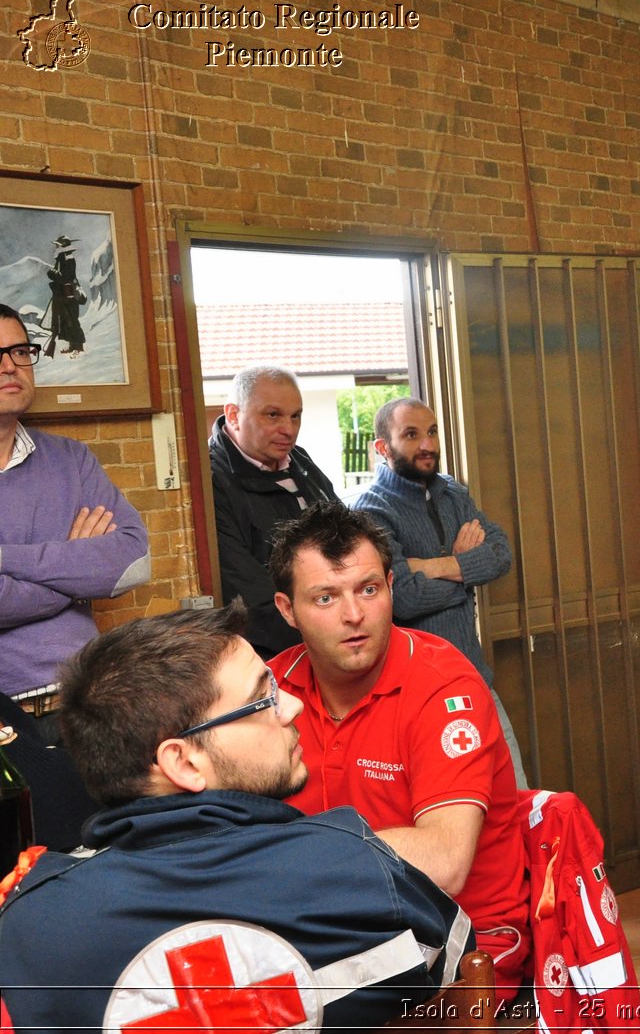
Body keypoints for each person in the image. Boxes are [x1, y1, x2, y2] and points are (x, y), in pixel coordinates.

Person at [0, 602, 472, 1031]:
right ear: (183, 762)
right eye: (262, 698)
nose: (292, 706)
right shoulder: (353, 866)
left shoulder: (27, 924)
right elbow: (460, 983)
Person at [267, 502, 531, 998]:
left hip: (463, 939)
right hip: (339, 929)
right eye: (325, 598)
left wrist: (284, 858)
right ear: (287, 610)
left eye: (368, 590)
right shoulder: (271, 690)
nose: (354, 615)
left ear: (390, 586)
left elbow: (445, 860)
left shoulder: (442, 684)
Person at [0, 303, 149, 848]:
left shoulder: (72, 460)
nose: (11, 365)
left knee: (109, 860)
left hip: (86, 704)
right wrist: (71, 563)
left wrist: (7, 557)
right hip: (5, 723)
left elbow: (131, 561)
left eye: (20, 351)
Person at [351, 396, 528, 788]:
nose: (428, 444)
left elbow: (501, 554)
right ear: (383, 447)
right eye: (411, 435)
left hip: (474, 674)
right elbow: (403, 598)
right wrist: (467, 577)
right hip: (415, 693)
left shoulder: (453, 494)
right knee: (452, 803)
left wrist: (434, 567)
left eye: (431, 432)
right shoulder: (370, 511)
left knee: (515, 795)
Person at [210, 364, 338, 659]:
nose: (289, 429)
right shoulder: (212, 482)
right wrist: (328, 636)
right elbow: (248, 597)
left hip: (328, 637)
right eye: (273, 415)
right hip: (273, 657)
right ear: (233, 415)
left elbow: (346, 537)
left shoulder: (298, 459)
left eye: (296, 416)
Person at [45, 236, 87, 357]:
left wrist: (52, 274)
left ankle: (78, 347)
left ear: (62, 246)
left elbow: (66, 278)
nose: (55, 247)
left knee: (72, 321)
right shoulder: (63, 257)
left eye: (57, 245)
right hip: (63, 296)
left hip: (68, 296)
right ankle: (73, 346)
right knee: (66, 321)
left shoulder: (67, 258)